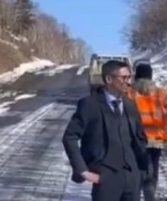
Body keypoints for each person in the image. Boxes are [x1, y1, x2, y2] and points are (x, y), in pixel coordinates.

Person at [62, 59, 149, 201]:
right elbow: (69, 137)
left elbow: (140, 137)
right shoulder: (90, 105)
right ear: (109, 79)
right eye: (124, 78)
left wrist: (141, 171)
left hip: (132, 177)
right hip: (106, 178)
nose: (129, 82)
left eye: (130, 77)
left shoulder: (131, 105)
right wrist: (83, 170)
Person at [129, 62, 167, 201]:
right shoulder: (161, 93)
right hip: (157, 139)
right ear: (150, 75)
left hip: (134, 140)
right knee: (152, 170)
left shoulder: (129, 92)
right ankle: (150, 196)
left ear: (136, 75)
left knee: (135, 170)